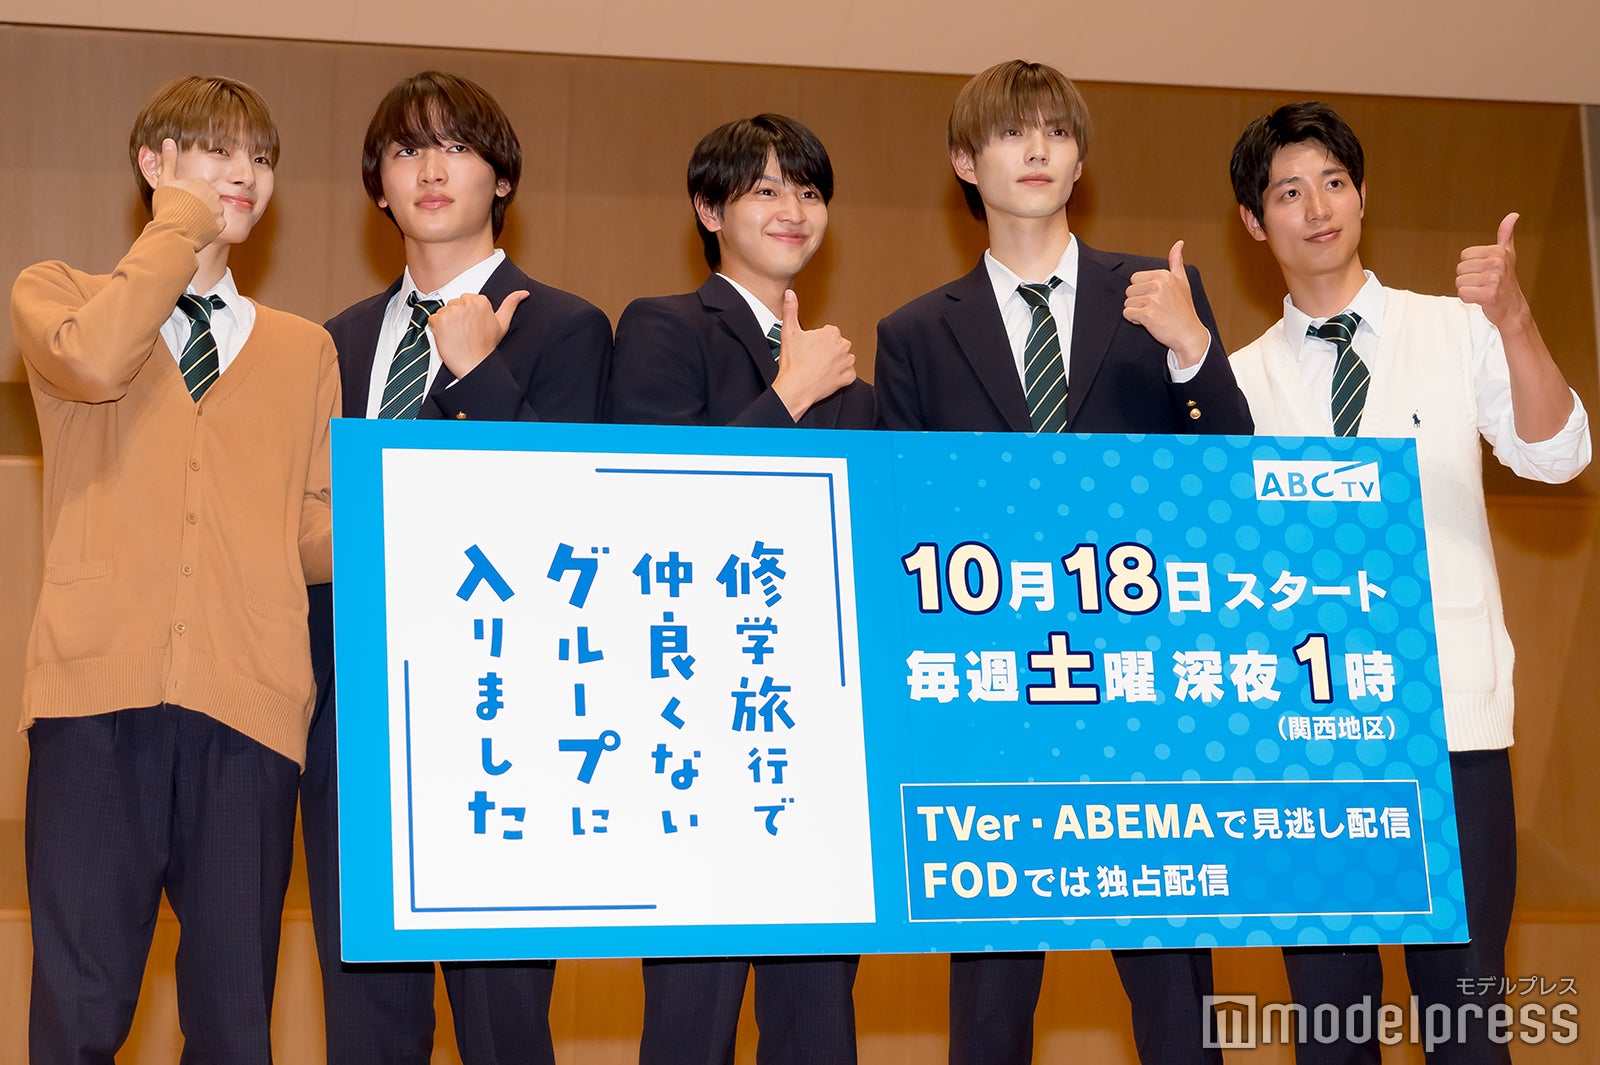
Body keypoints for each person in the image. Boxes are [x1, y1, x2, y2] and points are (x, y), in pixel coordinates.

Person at [873, 59, 1252, 1065]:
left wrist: (1190, 350)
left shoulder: (1159, 293)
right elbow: (899, 526)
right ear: (966, 161)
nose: (1036, 149)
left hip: (1140, 682)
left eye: (1055, 131)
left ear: (1081, 160)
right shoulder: (914, 334)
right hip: (992, 691)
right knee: (991, 997)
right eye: (1010, 132)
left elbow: (1230, 477)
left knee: (1173, 987)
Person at [1227, 100, 1590, 1064]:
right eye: (1288, 192)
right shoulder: (1240, 382)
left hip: (1452, 724)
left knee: (1466, 1023)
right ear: (1254, 223)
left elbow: (1558, 454)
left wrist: (1515, 319)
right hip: (1308, 742)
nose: (1317, 208)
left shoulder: (1455, 329)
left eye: (1334, 183)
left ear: (1363, 197)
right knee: (1332, 1027)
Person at [12, 74, 337, 1063]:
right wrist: (179, 228)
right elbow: (96, 364)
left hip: (250, 711)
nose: (245, 174)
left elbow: (311, 532)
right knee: (79, 1011)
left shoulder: (303, 349)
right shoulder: (63, 298)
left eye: (261, 158)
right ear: (154, 163)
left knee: (234, 1022)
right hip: (92, 700)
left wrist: (416, 510)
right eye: (216, 150)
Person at [302, 69, 612, 1065]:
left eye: (456, 147)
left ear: (501, 177)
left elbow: (567, 520)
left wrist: (478, 372)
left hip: (499, 714)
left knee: (503, 1026)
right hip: (353, 712)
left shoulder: (566, 326)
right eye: (406, 151)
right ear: (379, 187)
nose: (430, 169)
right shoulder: (337, 341)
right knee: (365, 1027)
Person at [607, 112, 873, 1065]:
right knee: (692, 1018)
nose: (793, 208)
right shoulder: (662, 327)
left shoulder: (848, 376)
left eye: (809, 190)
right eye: (765, 189)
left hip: (820, 732)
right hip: (697, 723)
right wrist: (791, 396)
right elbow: (657, 506)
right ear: (709, 209)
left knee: (818, 1021)